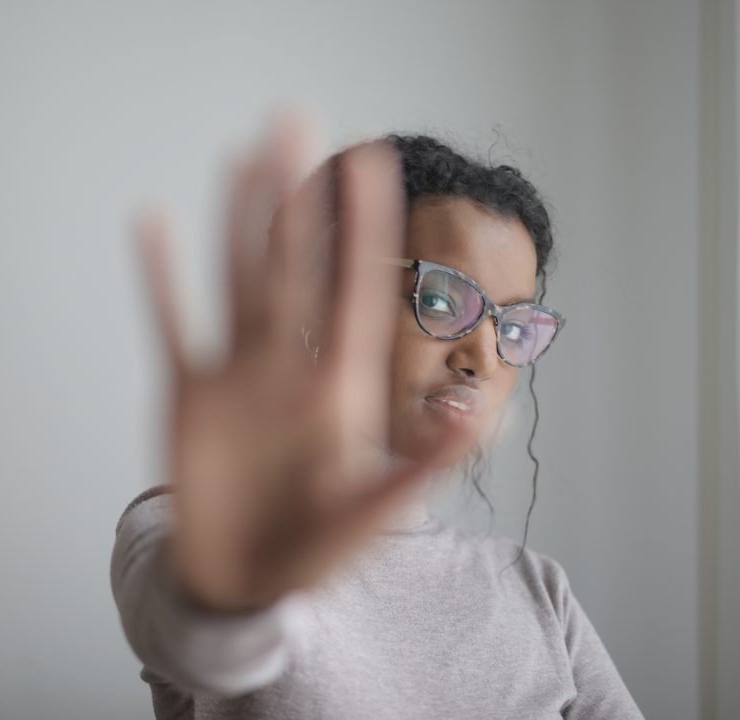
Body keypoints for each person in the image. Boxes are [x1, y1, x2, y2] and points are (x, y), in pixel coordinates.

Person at [110, 118, 645, 719]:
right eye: (440, 300)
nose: (483, 357)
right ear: (326, 305)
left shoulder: (539, 592)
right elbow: (193, 631)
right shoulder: (204, 530)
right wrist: (231, 606)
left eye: (513, 327)